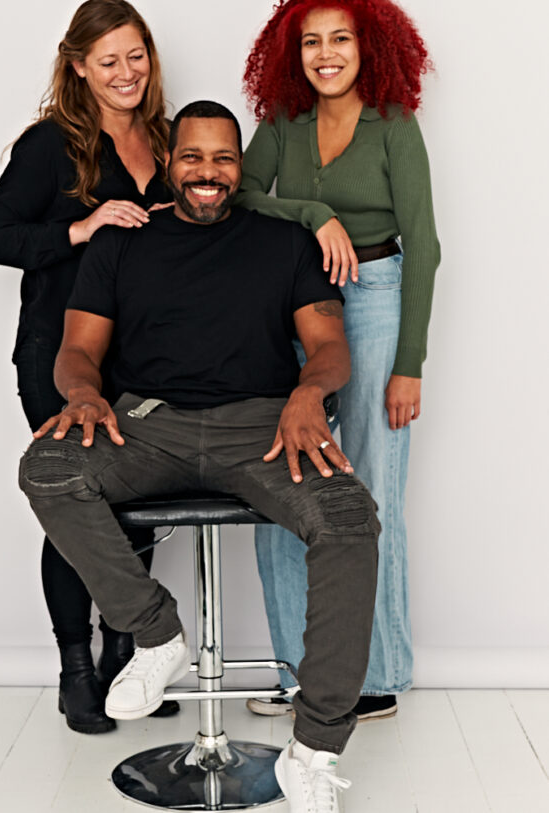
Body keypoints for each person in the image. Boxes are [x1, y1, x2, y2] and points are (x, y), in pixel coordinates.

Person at [18, 100, 380, 812]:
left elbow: (330, 346)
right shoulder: (122, 243)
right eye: (192, 157)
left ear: (239, 167)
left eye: (222, 158)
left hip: (265, 428)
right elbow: (78, 349)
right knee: (48, 467)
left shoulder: (283, 242)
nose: (206, 172)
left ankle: (313, 749)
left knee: (349, 517)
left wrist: (309, 392)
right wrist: (84, 395)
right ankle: (157, 635)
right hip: (147, 425)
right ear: (169, 162)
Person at [0, 0, 178, 734]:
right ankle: (76, 670)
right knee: (77, 503)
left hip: (142, 361)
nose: (126, 72)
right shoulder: (49, 144)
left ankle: (128, 660)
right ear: (79, 66)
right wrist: (82, 227)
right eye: (108, 59)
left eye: (136, 55)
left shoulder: (165, 139)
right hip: (57, 356)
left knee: (134, 504)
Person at [237, 0, 441, 720]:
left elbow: (425, 245)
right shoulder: (282, 122)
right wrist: (311, 213)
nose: (326, 54)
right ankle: (298, 673)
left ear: (369, 46)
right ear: (291, 53)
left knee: (372, 490)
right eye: (311, 42)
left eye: (341, 39)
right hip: (297, 303)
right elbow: (240, 195)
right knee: (282, 480)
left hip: (378, 298)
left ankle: (377, 675)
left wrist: (409, 362)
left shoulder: (394, 125)